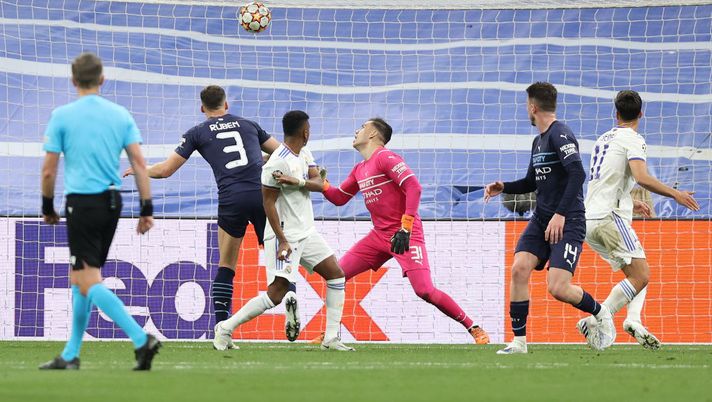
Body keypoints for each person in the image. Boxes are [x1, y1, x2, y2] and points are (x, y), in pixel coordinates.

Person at [278, 118, 490, 345]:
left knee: (425, 290)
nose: (356, 130)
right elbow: (340, 198)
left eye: (361, 127)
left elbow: (414, 187)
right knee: (337, 274)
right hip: (379, 236)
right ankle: (331, 333)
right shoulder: (360, 168)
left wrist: (406, 227)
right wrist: (321, 184)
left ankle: (474, 327)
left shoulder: (386, 158)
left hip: (405, 234)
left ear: (372, 134)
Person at [123, 85, 301, 343]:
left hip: (231, 199)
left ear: (202, 108)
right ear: (226, 105)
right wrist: (258, 159)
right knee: (279, 258)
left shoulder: (197, 132)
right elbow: (285, 152)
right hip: (263, 195)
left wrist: (140, 169)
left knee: (227, 265)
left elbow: (165, 171)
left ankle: (222, 331)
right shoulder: (249, 124)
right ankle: (290, 295)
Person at [39, 52, 160, 370]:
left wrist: (47, 207)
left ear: (73, 80)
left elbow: (49, 171)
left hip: (83, 203)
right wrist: (147, 207)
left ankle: (140, 339)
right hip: (112, 202)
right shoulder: (120, 114)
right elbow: (139, 163)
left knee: (88, 278)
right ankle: (70, 354)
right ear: (102, 79)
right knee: (81, 277)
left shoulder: (62, 115)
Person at [485, 82, 615, 354]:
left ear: (532, 107)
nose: (526, 111)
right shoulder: (538, 140)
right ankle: (519, 342)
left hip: (568, 221)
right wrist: (504, 187)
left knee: (558, 288)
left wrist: (560, 214)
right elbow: (532, 181)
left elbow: (578, 174)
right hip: (542, 218)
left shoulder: (561, 134)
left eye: (526, 107)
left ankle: (600, 313)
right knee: (519, 268)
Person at [213, 110, 353, 351]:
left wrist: (296, 182)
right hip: (284, 235)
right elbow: (267, 203)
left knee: (336, 275)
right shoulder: (277, 161)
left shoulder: (305, 153)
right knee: (276, 294)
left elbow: (319, 184)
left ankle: (330, 338)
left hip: (307, 232)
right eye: (309, 128)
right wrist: (282, 241)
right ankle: (225, 329)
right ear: (305, 131)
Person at [578, 90, 699, 349]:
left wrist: (632, 201)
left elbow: (606, 180)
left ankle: (632, 319)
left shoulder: (602, 139)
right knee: (641, 275)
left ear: (616, 113)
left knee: (636, 270)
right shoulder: (633, 139)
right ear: (641, 114)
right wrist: (675, 193)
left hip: (590, 219)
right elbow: (642, 177)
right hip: (610, 218)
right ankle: (597, 318)